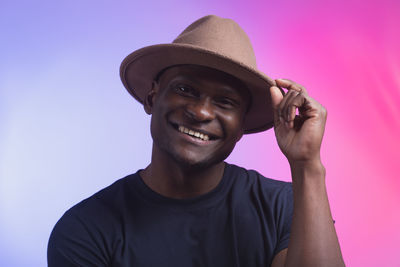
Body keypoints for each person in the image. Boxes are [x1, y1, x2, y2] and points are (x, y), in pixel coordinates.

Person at [48, 15, 345, 267]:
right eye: (186, 89)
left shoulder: (285, 206)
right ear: (153, 98)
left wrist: (307, 165)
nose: (201, 111)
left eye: (225, 101)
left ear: (242, 124)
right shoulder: (85, 229)